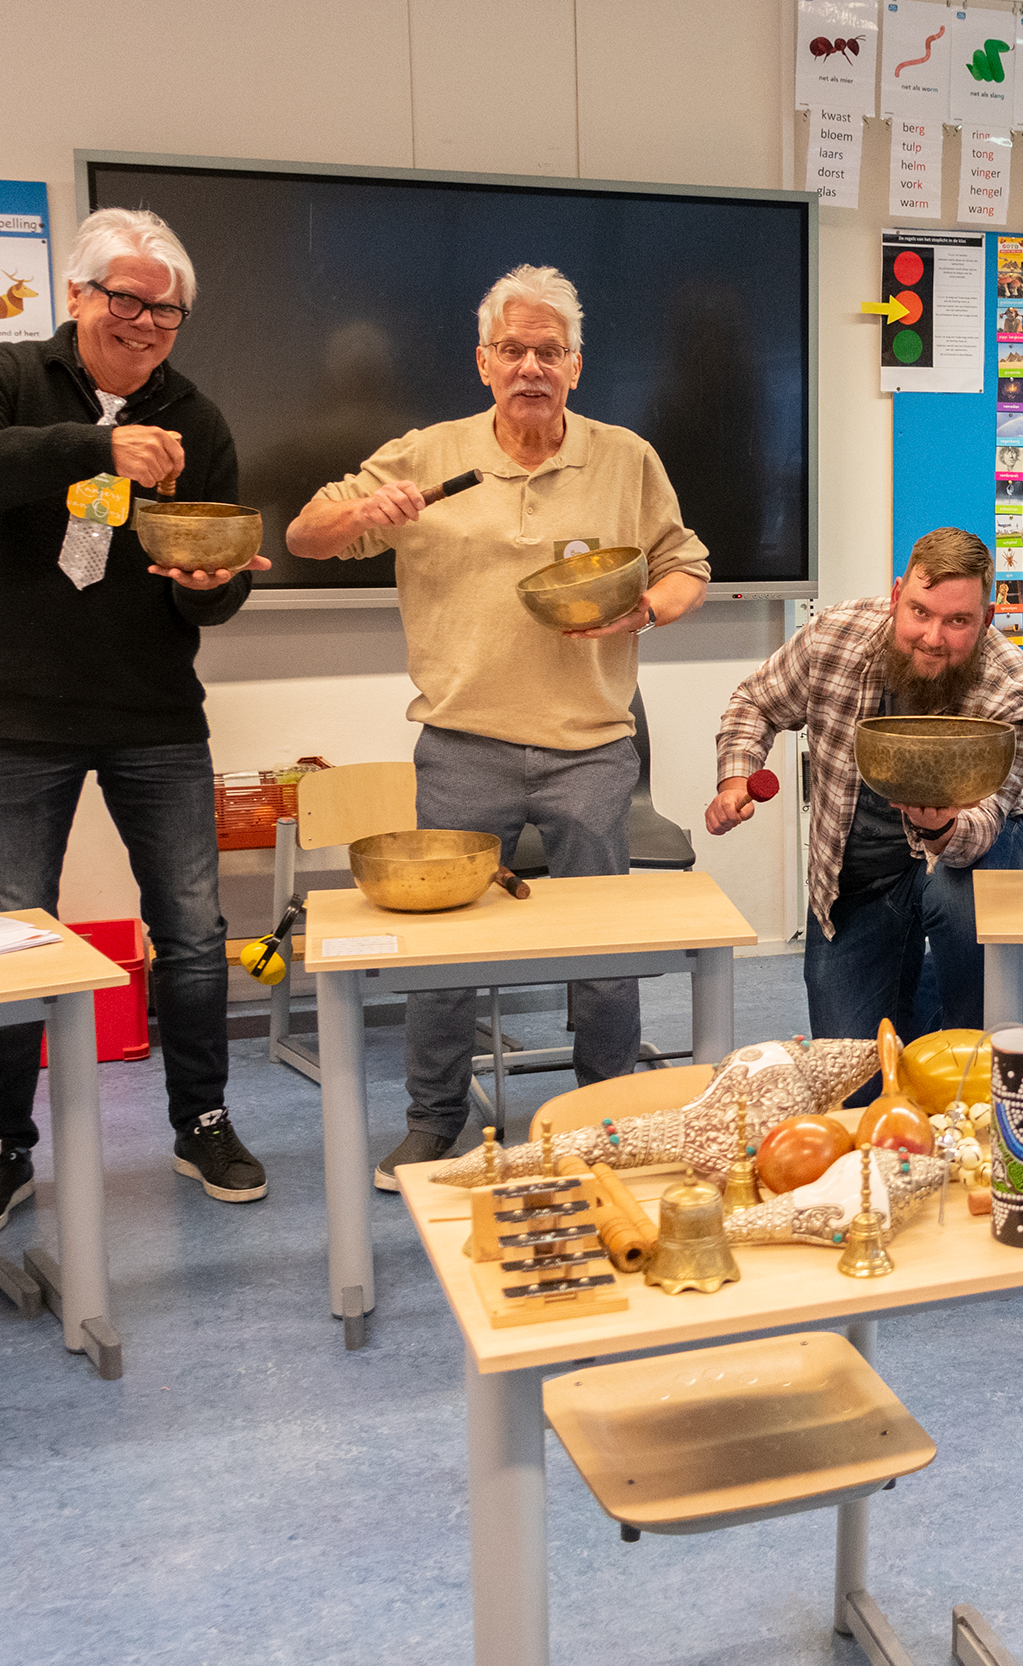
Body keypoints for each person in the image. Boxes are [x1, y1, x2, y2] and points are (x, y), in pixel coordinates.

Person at [284, 265, 709, 1190]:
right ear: (483, 362)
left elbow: (687, 564)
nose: (530, 366)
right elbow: (304, 536)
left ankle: (606, 1118)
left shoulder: (626, 458)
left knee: (604, 952)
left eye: (548, 351)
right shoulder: (425, 454)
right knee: (443, 952)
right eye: (512, 349)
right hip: (460, 746)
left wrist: (645, 610)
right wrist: (364, 510)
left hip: (591, 749)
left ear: (576, 365)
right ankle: (433, 1121)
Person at [0, 207, 271, 1240]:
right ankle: (1, 1143)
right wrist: (97, 445)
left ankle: (201, 1119)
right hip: (17, 714)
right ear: (77, 295)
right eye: (126, 299)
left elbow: (215, 584)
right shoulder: (7, 376)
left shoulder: (196, 418)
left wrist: (210, 585)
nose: (147, 322)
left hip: (154, 712)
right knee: (11, 931)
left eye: (168, 310)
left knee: (193, 932)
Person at [708, 528, 1023, 1087]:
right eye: (920, 612)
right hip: (860, 871)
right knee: (851, 1085)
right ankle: (915, 995)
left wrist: (940, 826)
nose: (933, 637)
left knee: (956, 905)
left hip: (965, 853)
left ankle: (971, 1038)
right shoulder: (833, 636)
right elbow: (755, 702)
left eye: (957, 621)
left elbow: (987, 817)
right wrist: (736, 776)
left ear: (987, 620)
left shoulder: (1015, 688)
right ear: (895, 597)